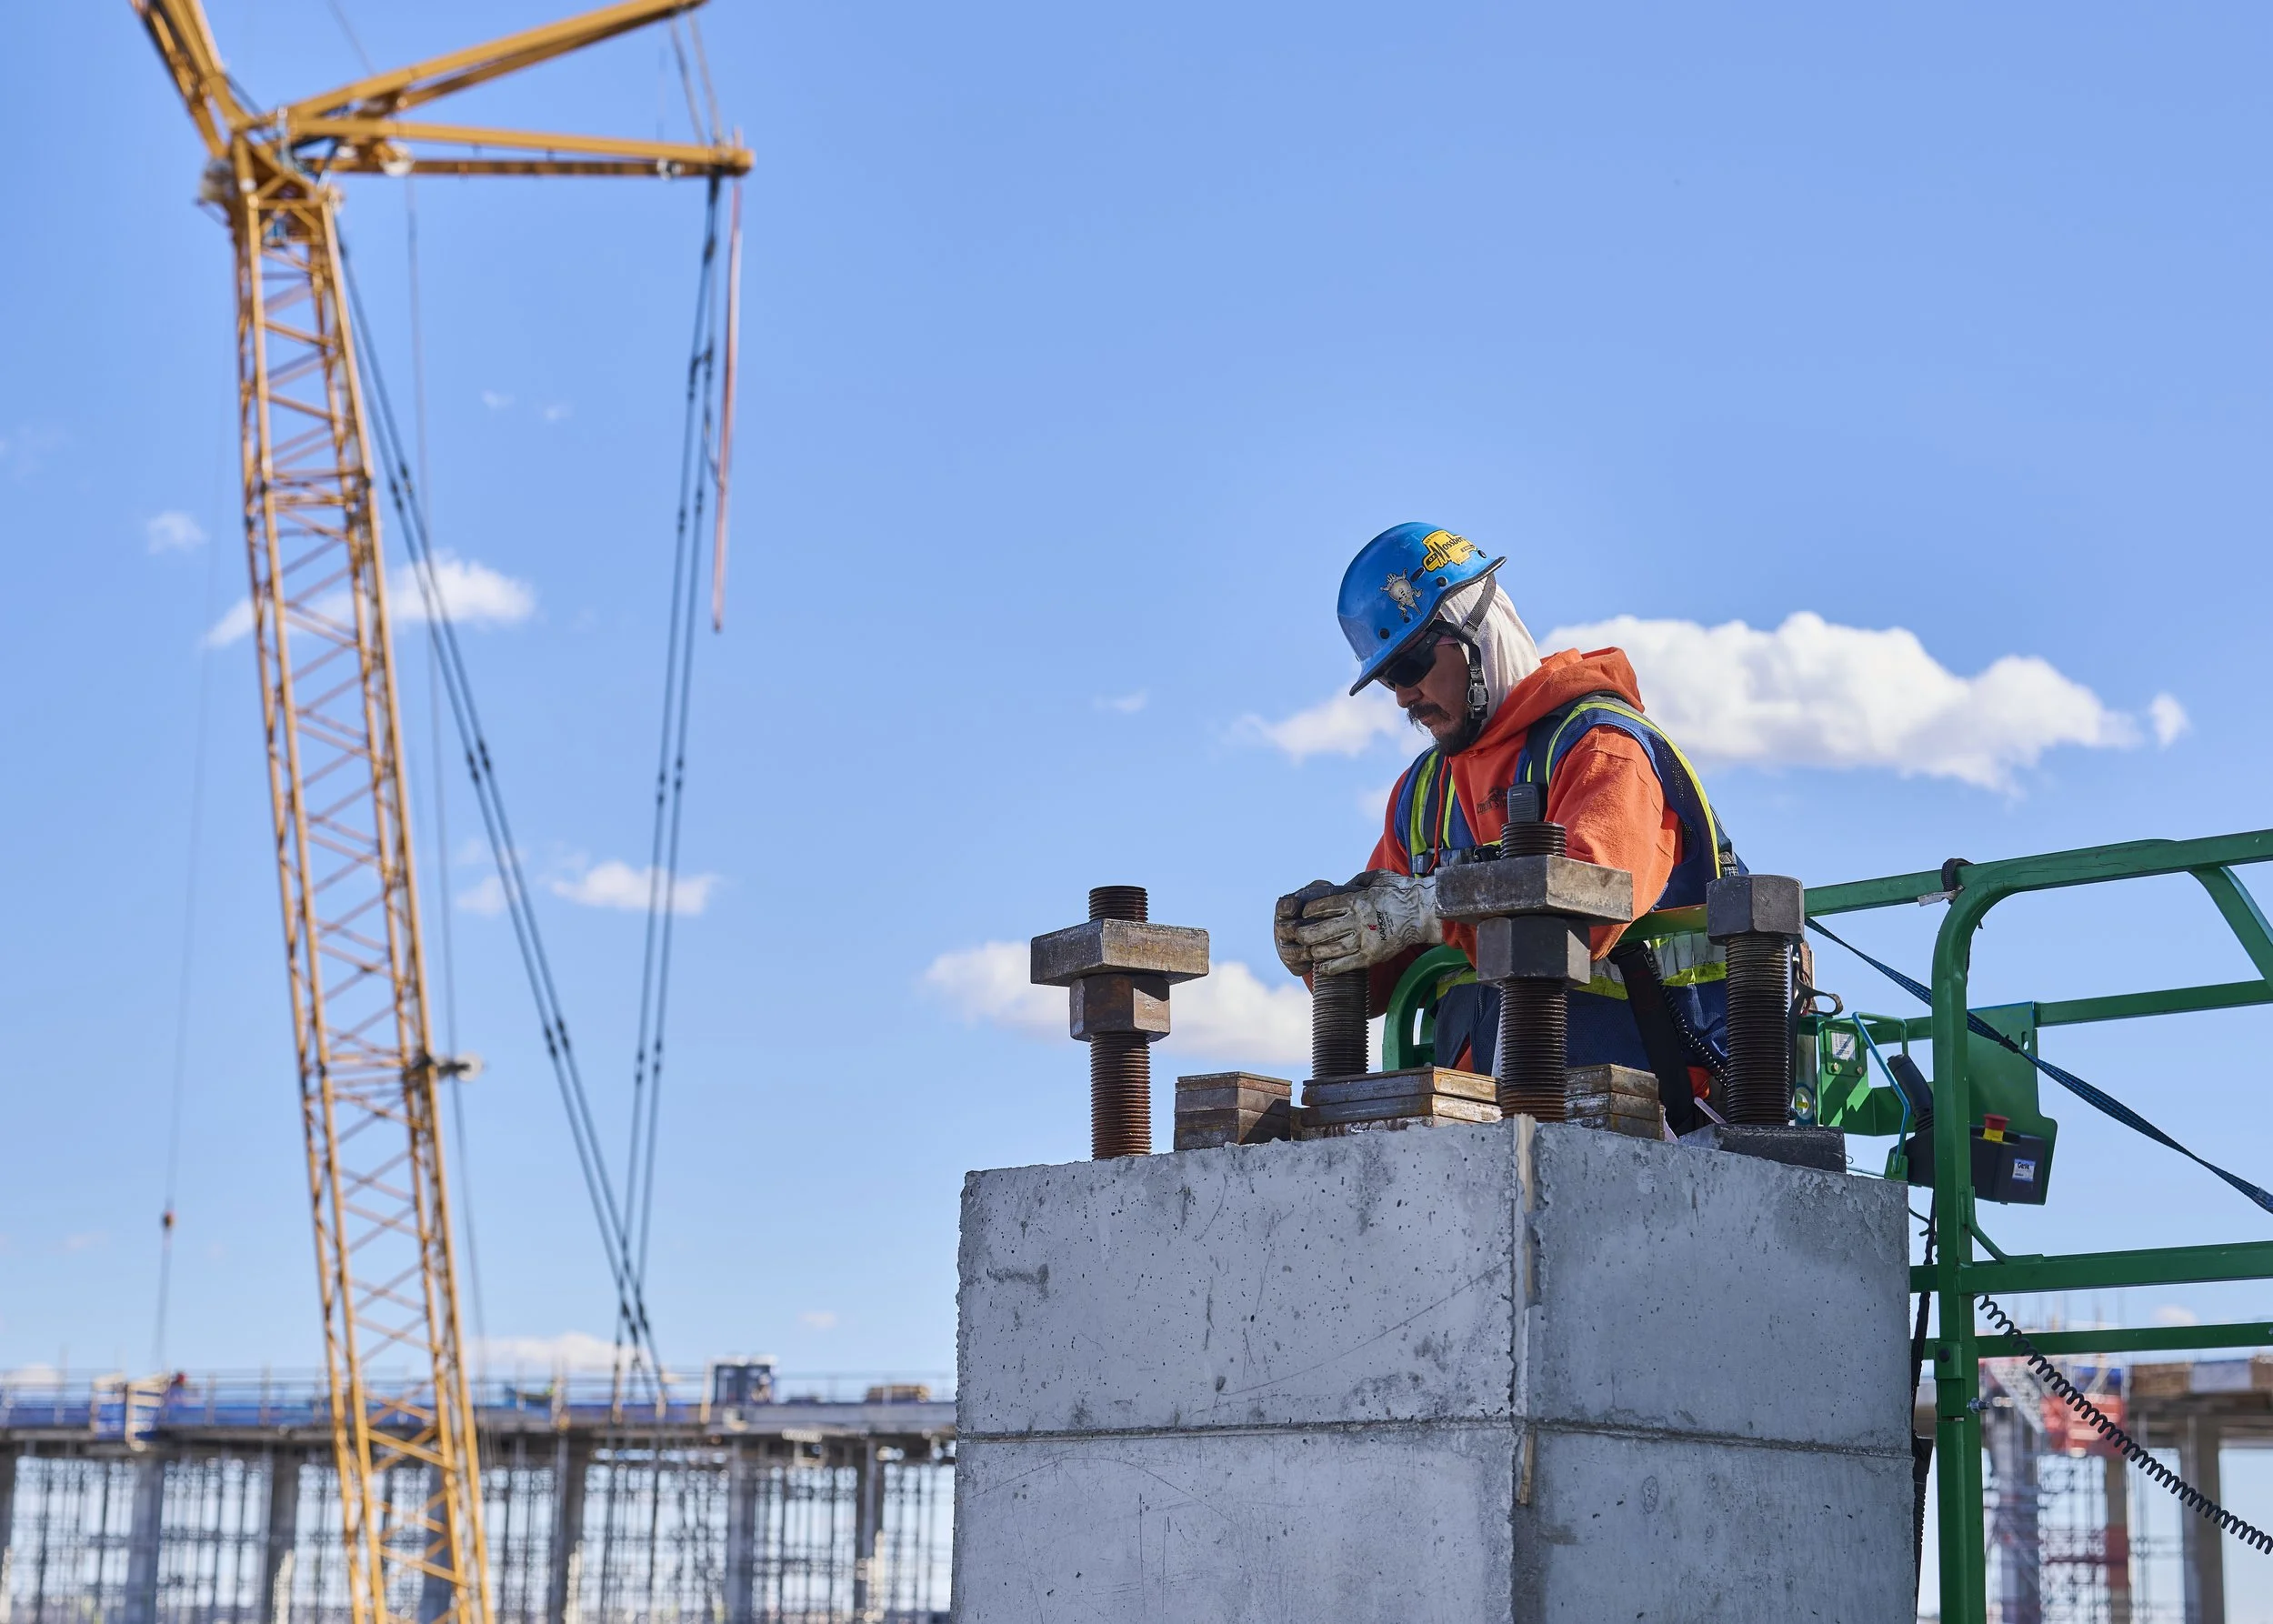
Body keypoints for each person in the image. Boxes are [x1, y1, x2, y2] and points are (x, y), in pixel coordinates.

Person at [1273, 522, 1737, 1131]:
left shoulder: (1600, 748)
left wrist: (1428, 908)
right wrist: (1324, 940)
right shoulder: (1424, 794)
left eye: (1412, 664)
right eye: (1389, 677)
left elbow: (1589, 909)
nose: (1404, 697)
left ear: (1476, 633)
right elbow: (1376, 984)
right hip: (1483, 1124)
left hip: (1655, 1118)